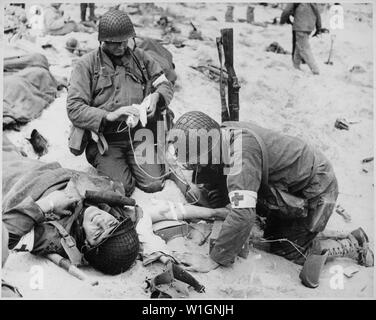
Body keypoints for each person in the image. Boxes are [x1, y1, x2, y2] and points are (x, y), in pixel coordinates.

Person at [166, 111, 374, 272]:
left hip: (316, 190)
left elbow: (243, 214)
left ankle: (352, 243)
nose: (193, 166)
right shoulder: (219, 135)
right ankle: (320, 233)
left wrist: (214, 259)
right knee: (267, 230)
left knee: (289, 251)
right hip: (286, 186)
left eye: (194, 161)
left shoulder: (241, 157)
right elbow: (215, 175)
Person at [67, 9, 174, 197]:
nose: (122, 47)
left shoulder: (140, 58)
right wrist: (109, 115)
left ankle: (133, 164)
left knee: (155, 184)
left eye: (125, 41)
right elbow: (74, 108)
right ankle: (108, 163)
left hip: (140, 136)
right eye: (115, 43)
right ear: (103, 41)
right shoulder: (86, 65)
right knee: (123, 188)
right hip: (106, 140)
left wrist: (157, 98)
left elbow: (164, 83)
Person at [2, 135, 140, 275]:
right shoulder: (114, 209)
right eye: (111, 224)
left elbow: (6, 235)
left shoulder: (55, 238)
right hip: (39, 169)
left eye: (98, 233)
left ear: (86, 245)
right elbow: (138, 215)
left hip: (12, 183)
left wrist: (48, 204)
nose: (100, 220)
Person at [280, 3, 322, 75]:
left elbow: (286, 11)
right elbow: (317, 13)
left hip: (300, 26)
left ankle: (315, 70)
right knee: (298, 45)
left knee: (304, 48)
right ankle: (296, 66)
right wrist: (319, 27)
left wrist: (282, 21)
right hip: (310, 27)